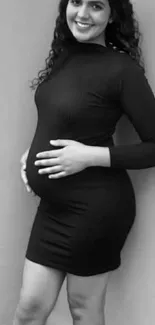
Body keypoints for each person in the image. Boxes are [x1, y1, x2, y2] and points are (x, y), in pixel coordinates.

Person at [14, 0, 155, 324]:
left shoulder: (122, 70)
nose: (82, 13)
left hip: (96, 210)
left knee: (84, 310)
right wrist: (31, 154)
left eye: (96, 6)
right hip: (53, 209)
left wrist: (88, 156)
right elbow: (59, 119)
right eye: (76, 2)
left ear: (111, 15)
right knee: (29, 310)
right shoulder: (64, 57)